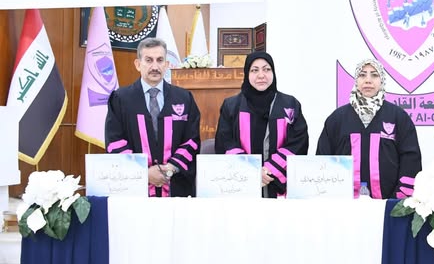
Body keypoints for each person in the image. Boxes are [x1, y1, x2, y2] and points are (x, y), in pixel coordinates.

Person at [105, 37, 201, 197]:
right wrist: (144, 172)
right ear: (138, 64)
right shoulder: (120, 99)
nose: (155, 67)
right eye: (148, 60)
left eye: (160, 60)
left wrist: (170, 169)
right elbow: (115, 142)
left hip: (176, 187)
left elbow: (192, 140)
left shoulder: (184, 98)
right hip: (134, 189)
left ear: (167, 64)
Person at [316, 59, 421, 199]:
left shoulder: (398, 117)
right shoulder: (337, 119)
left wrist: (396, 200)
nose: (368, 80)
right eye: (362, 75)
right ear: (356, 80)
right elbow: (323, 160)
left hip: (388, 204)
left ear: (382, 80)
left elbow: (410, 159)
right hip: (343, 204)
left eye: (374, 75)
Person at [215, 51, 309, 198]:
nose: (261, 75)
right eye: (254, 70)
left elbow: (299, 142)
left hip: (280, 186)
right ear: (247, 74)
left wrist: (269, 169)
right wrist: (252, 171)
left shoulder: (290, 104)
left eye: (266, 69)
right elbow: (225, 142)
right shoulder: (232, 106)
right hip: (241, 185)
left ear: (273, 73)